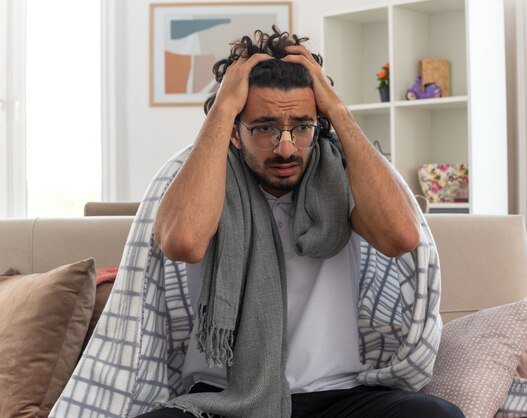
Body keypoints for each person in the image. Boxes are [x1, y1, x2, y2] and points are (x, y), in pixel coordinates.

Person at [146, 27, 464, 418]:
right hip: (221, 398)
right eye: (263, 127)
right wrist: (222, 109)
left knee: (434, 415)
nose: (285, 146)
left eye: (301, 126)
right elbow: (183, 242)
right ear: (234, 132)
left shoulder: (342, 177)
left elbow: (401, 236)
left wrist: (339, 111)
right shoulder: (204, 179)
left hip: (333, 396)